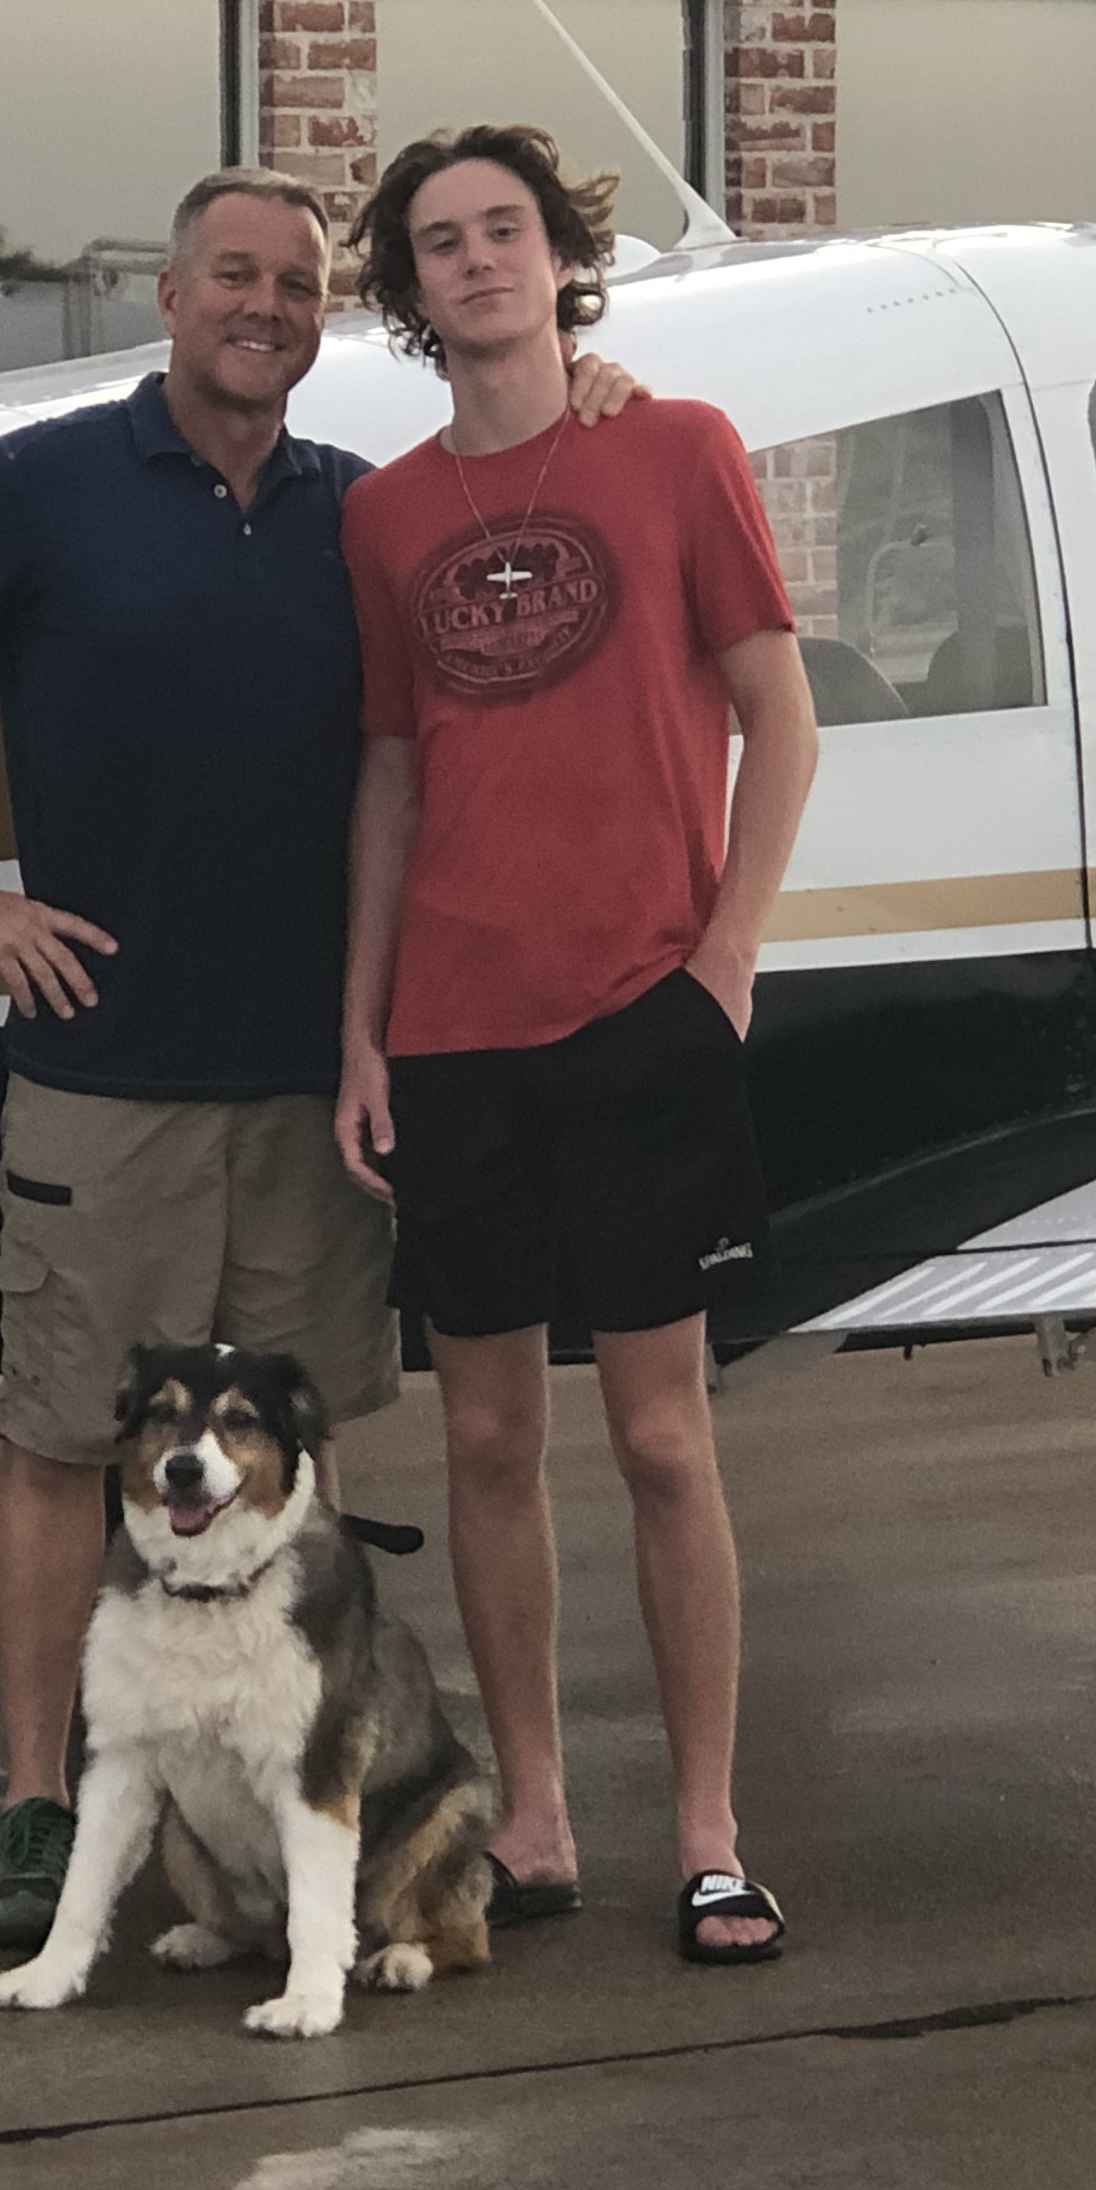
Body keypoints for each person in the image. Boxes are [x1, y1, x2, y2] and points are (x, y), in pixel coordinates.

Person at [0, 168, 642, 1946]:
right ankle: (39, 1807)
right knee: (67, 1445)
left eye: (297, 283)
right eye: (233, 277)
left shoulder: (360, 512)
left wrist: (596, 389)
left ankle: (288, 1797)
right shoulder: (40, 482)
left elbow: (514, 552)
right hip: (101, 1075)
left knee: (294, 1456)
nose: (265, 306)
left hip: (309, 1085)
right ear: (173, 296)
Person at [331, 124, 820, 1966]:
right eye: (439, 242)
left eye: (503, 230)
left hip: (643, 1017)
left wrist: (727, 959)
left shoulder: (676, 448)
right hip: (454, 1034)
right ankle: (533, 1818)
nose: (475, 261)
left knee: (665, 1441)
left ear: (560, 258)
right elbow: (391, 779)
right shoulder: (383, 518)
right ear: (409, 287)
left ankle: (707, 1833)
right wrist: (363, 1029)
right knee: (481, 1438)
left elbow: (781, 715)